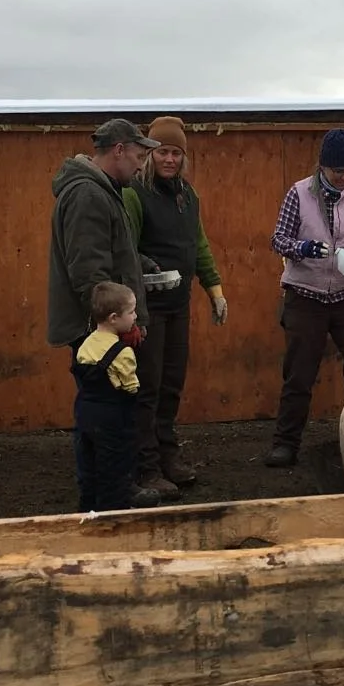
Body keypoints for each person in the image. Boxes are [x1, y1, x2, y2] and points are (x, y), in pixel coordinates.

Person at [46, 116, 163, 509]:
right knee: (108, 420)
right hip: (98, 332)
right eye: (138, 155)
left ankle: (107, 489)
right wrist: (112, 331)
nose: (141, 164)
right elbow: (89, 275)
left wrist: (138, 263)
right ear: (119, 150)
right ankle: (111, 496)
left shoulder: (100, 191)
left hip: (101, 327)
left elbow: (106, 253)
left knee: (106, 417)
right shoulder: (88, 195)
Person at [262, 127, 344, 468]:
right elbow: (278, 239)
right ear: (323, 167)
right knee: (299, 374)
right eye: (339, 171)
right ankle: (285, 444)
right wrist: (300, 248)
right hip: (305, 296)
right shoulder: (299, 193)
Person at [120, 115, 228, 495]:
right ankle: (145, 466)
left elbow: (197, 245)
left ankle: (168, 456)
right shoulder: (134, 194)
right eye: (163, 151)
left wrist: (213, 288)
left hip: (178, 303)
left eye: (176, 153)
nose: (170, 159)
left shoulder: (187, 195)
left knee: (171, 385)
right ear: (150, 155)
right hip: (146, 307)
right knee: (147, 386)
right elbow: (127, 249)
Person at [70, 282, 146, 512]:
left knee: (88, 464)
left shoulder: (85, 345)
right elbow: (131, 388)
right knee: (115, 465)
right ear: (114, 318)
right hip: (112, 417)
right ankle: (114, 513)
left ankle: (87, 511)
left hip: (85, 414)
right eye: (131, 312)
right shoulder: (123, 353)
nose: (135, 316)